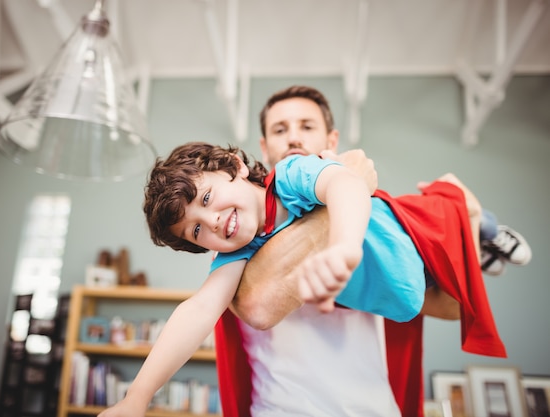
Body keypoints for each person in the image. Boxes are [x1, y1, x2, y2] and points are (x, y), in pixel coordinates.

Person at [99, 136, 516, 416]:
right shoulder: (242, 252)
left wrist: (344, 245)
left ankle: (490, 234)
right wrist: (137, 397)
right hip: (413, 291)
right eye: (196, 230)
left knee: (459, 214)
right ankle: (482, 255)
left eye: (207, 198)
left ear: (236, 167)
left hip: (415, 240)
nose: (213, 221)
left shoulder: (291, 178)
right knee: (462, 275)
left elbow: (346, 185)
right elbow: (198, 309)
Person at [216, 85, 531, 417]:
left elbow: (449, 307)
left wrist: (467, 222)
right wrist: (352, 187)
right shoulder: (239, 232)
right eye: (280, 130)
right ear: (265, 147)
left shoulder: (366, 216)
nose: (294, 138)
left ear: (331, 140)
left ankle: (483, 245)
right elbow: (258, 307)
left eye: (307, 127)